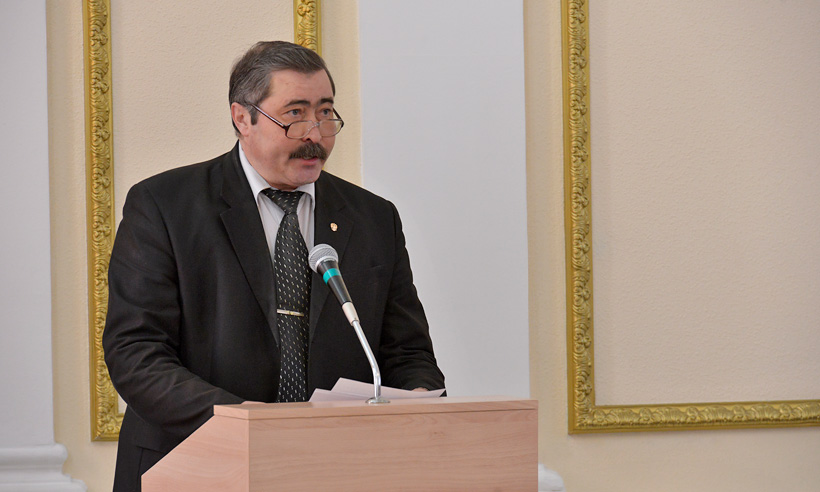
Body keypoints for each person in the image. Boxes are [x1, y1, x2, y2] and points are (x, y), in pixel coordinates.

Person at [102, 40, 445, 492]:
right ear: (242, 118)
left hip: (331, 469)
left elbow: (408, 352)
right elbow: (136, 353)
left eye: (326, 112)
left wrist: (419, 400)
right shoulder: (165, 205)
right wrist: (245, 422)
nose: (315, 134)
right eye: (295, 114)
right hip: (193, 462)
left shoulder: (374, 218)